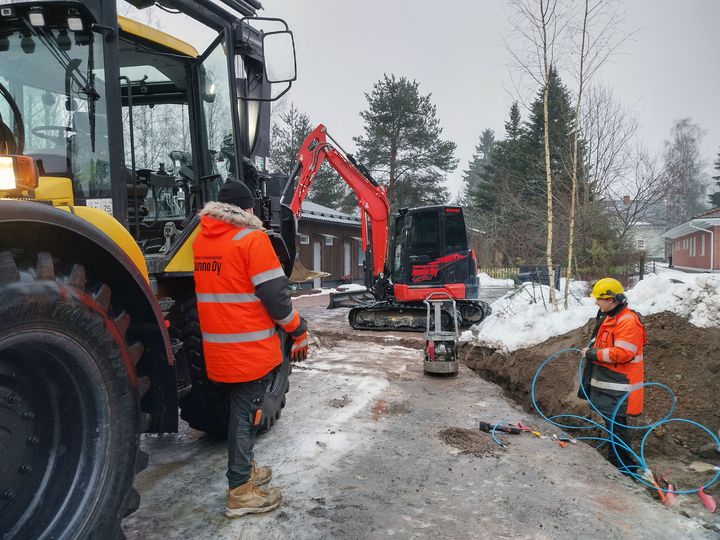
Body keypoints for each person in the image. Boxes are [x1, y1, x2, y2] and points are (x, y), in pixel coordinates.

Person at [193, 180, 309, 518]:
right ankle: (240, 489)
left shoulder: (202, 241)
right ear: (247, 210)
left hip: (219, 347)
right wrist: (298, 329)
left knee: (240, 410)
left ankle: (246, 468)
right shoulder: (252, 240)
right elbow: (276, 297)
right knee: (246, 415)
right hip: (249, 348)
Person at [579, 277, 646, 475]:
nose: (596, 303)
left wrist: (593, 354)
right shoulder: (609, 317)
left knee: (617, 428)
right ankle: (616, 462)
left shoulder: (628, 322)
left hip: (620, 386)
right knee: (612, 427)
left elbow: (624, 353)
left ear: (611, 299)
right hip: (609, 384)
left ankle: (626, 469)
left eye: (599, 299)